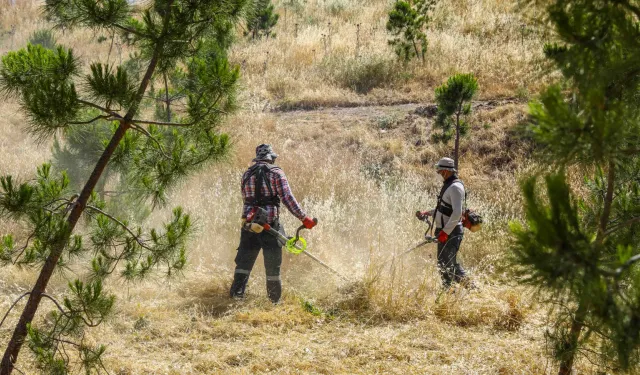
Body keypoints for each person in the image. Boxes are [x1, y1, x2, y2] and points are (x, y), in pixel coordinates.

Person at [229, 144, 316, 303]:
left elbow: (246, 201)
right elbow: (288, 199)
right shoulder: (276, 173)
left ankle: (235, 298)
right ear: (271, 158)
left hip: (249, 225)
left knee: (244, 263)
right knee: (272, 267)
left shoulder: (246, 174)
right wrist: (304, 218)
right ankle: (274, 302)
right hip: (270, 225)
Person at [416, 157, 469, 289]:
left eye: (440, 171)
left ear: (446, 171)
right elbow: (445, 209)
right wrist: (427, 212)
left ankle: (471, 289)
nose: (439, 173)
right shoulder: (449, 185)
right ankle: (449, 290)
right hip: (444, 231)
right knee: (444, 263)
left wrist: (445, 232)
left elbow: (457, 213)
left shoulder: (455, 187)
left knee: (449, 264)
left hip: (451, 232)